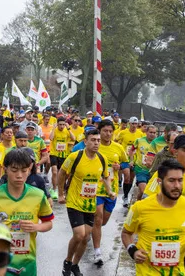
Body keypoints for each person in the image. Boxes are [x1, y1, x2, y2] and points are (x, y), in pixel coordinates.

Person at [0, 148, 54, 276]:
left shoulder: (38, 195)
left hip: (27, 262)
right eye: (14, 170)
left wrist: (35, 227)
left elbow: (49, 223)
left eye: (24, 170)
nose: (19, 175)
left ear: (29, 169)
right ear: (5, 169)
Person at [121, 159, 185, 276]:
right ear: (159, 181)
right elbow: (126, 233)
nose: (177, 185)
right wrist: (133, 251)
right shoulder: (139, 208)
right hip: (147, 272)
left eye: (180, 180)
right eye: (171, 181)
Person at [58, 129, 109, 276]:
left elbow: (105, 177)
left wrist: (110, 190)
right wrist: (60, 194)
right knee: (79, 235)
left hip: (90, 203)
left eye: (98, 140)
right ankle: (67, 261)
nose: (96, 143)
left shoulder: (102, 158)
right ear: (85, 141)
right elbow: (62, 173)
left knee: (86, 237)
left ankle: (75, 265)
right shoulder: (75, 156)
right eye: (93, 140)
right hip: (74, 201)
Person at [92, 120, 128, 265]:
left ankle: (93, 230)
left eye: (110, 131)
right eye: (105, 131)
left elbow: (126, 163)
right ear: (99, 131)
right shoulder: (95, 146)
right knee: (98, 218)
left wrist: (119, 166)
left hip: (111, 191)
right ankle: (97, 252)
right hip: (95, 190)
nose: (108, 134)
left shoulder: (118, 148)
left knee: (103, 221)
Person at [117, 117, 143, 207]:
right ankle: (125, 197)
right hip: (125, 159)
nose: (134, 126)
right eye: (132, 124)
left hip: (135, 159)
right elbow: (115, 141)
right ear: (129, 124)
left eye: (136, 124)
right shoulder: (123, 133)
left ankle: (125, 196)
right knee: (127, 177)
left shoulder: (140, 134)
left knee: (131, 179)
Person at [49, 117, 75, 200]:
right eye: (60, 124)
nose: (62, 126)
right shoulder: (55, 130)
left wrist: (69, 128)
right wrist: (53, 128)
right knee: (54, 172)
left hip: (63, 155)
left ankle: (62, 188)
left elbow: (74, 138)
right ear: (57, 124)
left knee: (63, 174)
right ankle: (54, 189)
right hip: (54, 153)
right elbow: (51, 138)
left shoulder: (67, 130)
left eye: (63, 124)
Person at [129, 125, 157, 200]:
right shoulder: (139, 140)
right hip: (140, 169)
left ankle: (139, 203)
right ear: (146, 132)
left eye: (154, 132)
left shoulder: (158, 143)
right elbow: (131, 150)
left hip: (153, 172)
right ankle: (138, 204)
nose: (152, 134)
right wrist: (131, 160)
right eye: (150, 132)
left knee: (147, 193)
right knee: (143, 191)